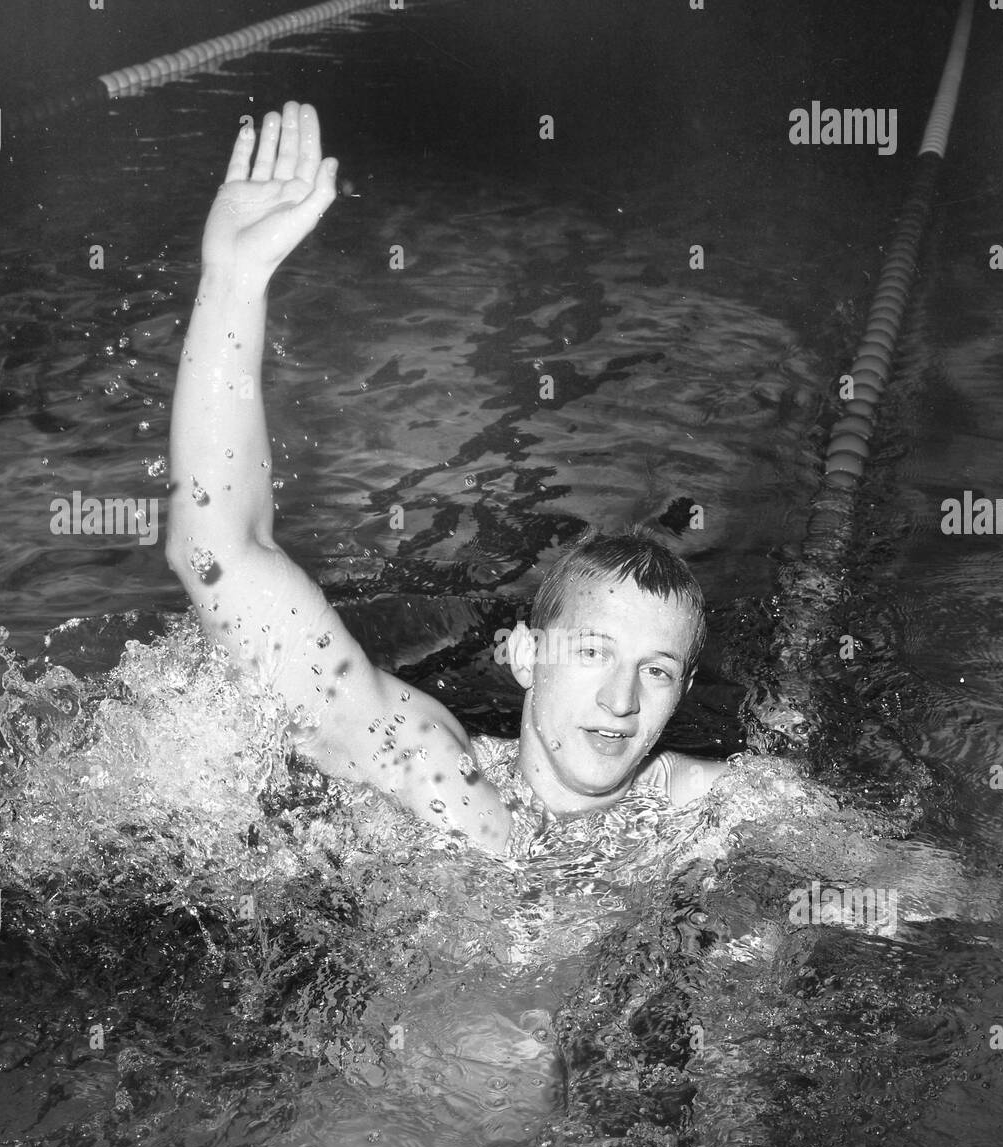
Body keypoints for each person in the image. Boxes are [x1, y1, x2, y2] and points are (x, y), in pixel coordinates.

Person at [166, 101, 729, 857]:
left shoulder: (720, 818)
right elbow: (219, 553)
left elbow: (927, 895)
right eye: (591, 652)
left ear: (684, 694)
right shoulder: (435, 781)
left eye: (655, 671)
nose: (620, 702)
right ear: (527, 655)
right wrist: (233, 282)